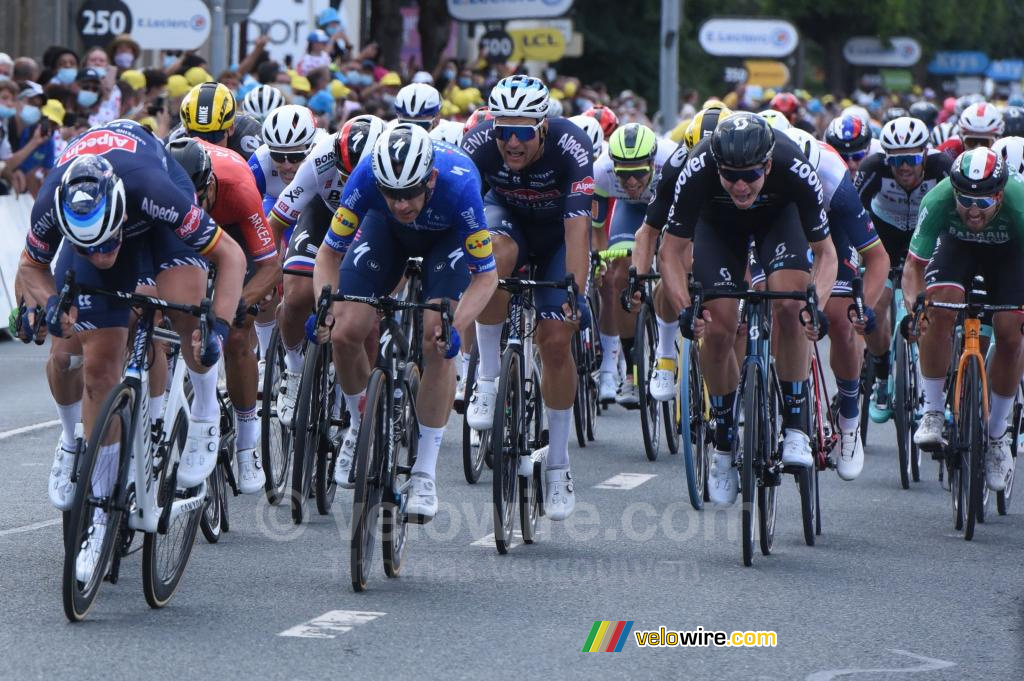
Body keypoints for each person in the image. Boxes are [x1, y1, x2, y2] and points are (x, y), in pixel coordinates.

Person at [13, 120, 245, 533]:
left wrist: (220, 328)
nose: (102, 257)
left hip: (154, 220)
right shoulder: (51, 201)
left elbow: (231, 257)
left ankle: (206, 408)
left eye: (107, 245)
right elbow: (30, 267)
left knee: (188, 316)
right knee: (95, 368)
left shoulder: (154, 192)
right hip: (99, 209)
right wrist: (49, 304)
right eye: (90, 248)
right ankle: (79, 461)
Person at [312, 124, 498, 517]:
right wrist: (324, 306)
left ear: (429, 178)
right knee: (344, 332)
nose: (401, 204)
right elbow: (329, 255)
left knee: (436, 337)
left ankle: (425, 473)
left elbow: (486, 277)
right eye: (391, 195)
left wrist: (456, 325)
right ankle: (359, 424)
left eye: (410, 193)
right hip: (386, 237)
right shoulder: (366, 177)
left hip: (446, 241)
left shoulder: (461, 187)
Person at [657, 112, 837, 504]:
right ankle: (723, 441)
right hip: (718, 228)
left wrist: (816, 304)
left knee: (790, 307)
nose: (740, 185)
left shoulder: (792, 163)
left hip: (778, 221)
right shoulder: (699, 166)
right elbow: (669, 253)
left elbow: (826, 254)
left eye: (751, 175)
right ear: (717, 166)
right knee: (718, 328)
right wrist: (685, 307)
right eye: (730, 175)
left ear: (768, 164)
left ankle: (794, 425)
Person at [462, 75, 596, 521]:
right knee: (492, 260)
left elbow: (578, 230)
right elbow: (460, 220)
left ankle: (558, 464)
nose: (512, 143)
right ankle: (488, 377)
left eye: (522, 132)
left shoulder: (571, 145)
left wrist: (574, 292)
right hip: (508, 223)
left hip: (558, 234)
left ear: (543, 127)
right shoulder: (478, 142)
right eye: (504, 131)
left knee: (556, 340)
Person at [903, 148, 1022, 492]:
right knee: (937, 309)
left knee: (1010, 331)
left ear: (999, 196)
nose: (973, 210)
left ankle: (997, 435)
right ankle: (933, 411)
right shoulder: (938, 199)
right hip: (956, 249)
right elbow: (913, 268)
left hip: (1009, 253)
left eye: (983, 203)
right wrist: (915, 309)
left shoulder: (1019, 202)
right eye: (966, 200)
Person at [167, 137, 280, 493]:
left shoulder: (237, 188)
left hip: (231, 231)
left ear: (210, 186)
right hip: (178, 230)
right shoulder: (165, 194)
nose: (195, 207)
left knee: (236, 330)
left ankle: (248, 443)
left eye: (200, 200)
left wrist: (238, 303)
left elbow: (270, 267)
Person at [781, 128, 890, 479]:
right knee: (774, 303)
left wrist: (865, 310)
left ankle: (848, 419)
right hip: (778, 222)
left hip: (831, 232)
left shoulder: (835, 180)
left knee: (842, 321)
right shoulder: (761, 174)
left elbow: (878, 259)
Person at [271, 115, 385, 434]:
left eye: (359, 176)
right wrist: (264, 268)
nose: (351, 184)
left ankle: (357, 403)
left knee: (367, 321)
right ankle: (294, 372)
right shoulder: (320, 157)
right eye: (344, 175)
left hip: (371, 226)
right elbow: (277, 221)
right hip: (324, 216)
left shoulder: (391, 163)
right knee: (295, 295)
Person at [854, 116, 951, 422]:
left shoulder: (942, 167)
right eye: (896, 161)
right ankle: (882, 375)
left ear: (924, 154)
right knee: (876, 304)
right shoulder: (872, 168)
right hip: (886, 235)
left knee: (929, 308)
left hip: (927, 236)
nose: (904, 168)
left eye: (910, 159)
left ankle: (931, 386)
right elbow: (853, 211)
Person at [591, 123, 677, 406]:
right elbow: (597, 228)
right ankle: (631, 371)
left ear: (653, 162)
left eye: (639, 173)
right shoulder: (601, 172)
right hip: (630, 211)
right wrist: (600, 263)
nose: (630, 183)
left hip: (667, 206)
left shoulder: (673, 160)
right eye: (624, 175)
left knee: (671, 261)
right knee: (619, 277)